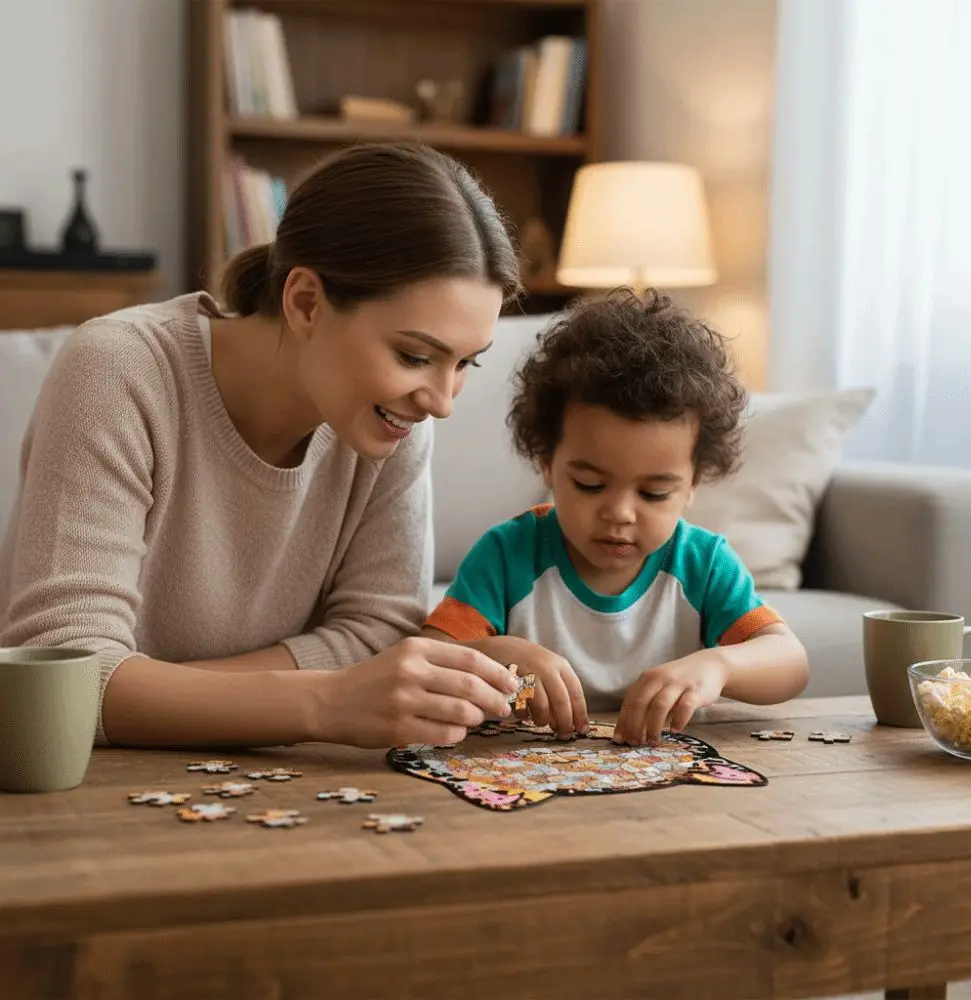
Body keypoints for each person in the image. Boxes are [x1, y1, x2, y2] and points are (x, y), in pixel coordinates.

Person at [0, 141, 526, 750]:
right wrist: (325, 701)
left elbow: (379, 633)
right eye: (414, 355)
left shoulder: (393, 418)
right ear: (305, 302)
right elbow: (60, 681)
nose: (442, 400)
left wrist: (144, 694)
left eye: (466, 363)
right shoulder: (118, 371)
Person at [423, 289, 810, 746]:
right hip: (519, 779)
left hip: (668, 784)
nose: (620, 513)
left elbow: (791, 663)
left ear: (692, 484)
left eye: (654, 492)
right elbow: (427, 660)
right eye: (589, 484)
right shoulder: (508, 555)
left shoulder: (701, 563)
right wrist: (493, 651)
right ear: (547, 461)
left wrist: (718, 666)